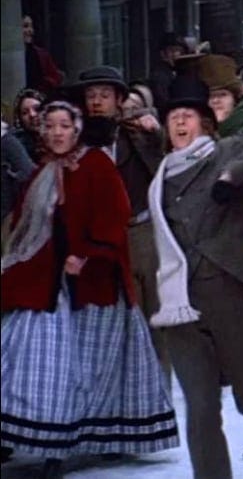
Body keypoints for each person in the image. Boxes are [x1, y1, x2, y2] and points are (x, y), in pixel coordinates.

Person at [0, 102, 180, 477]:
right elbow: (25, 225)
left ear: (77, 129)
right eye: (50, 126)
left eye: (64, 126)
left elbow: (115, 214)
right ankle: (34, 437)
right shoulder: (43, 172)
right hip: (48, 284)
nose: (56, 133)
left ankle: (88, 440)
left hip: (94, 284)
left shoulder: (96, 165)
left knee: (93, 369)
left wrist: (89, 254)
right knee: (34, 356)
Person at [147, 76, 243, 479]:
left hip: (234, 291)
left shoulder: (225, 151)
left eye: (188, 116)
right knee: (201, 406)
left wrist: (231, 176)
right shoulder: (160, 174)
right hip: (180, 303)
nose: (180, 122)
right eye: (173, 117)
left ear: (206, 124)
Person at [70, 66, 172, 388]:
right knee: (116, 317)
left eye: (104, 95)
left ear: (118, 100)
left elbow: (162, 155)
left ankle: (160, 388)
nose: (97, 102)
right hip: (99, 241)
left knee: (155, 316)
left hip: (140, 232)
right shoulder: (76, 141)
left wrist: (153, 130)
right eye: (91, 96)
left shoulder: (136, 133)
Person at [21, 16, 63, 94]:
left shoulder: (41, 53)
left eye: (31, 27)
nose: (31, 31)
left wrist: (47, 83)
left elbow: (56, 76)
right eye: (25, 26)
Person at [150, 33, 187, 109]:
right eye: (172, 51)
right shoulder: (159, 75)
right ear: (163, 54)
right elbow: (163, 101)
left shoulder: (184, 71)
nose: (176, 54)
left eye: (180, 51)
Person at [10, 88, 44, 160]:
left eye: (37, 109)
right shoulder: (16, 147)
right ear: (20, 119)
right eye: (25, 113)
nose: (32, 115)